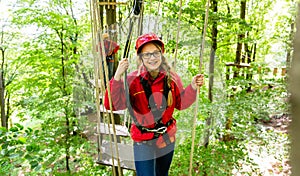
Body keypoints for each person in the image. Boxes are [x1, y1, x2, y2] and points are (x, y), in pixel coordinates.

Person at [104, 33, 204, 176]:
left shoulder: (172, 78)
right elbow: (112, 105)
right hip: (143, 139)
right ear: (141, 58)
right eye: (147, 55)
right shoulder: (132, 80)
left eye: (155, 53)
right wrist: (118, 76)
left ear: (161, 54)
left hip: (166, 137)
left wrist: (193, 87)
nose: (152, 58)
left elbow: (180, 103)